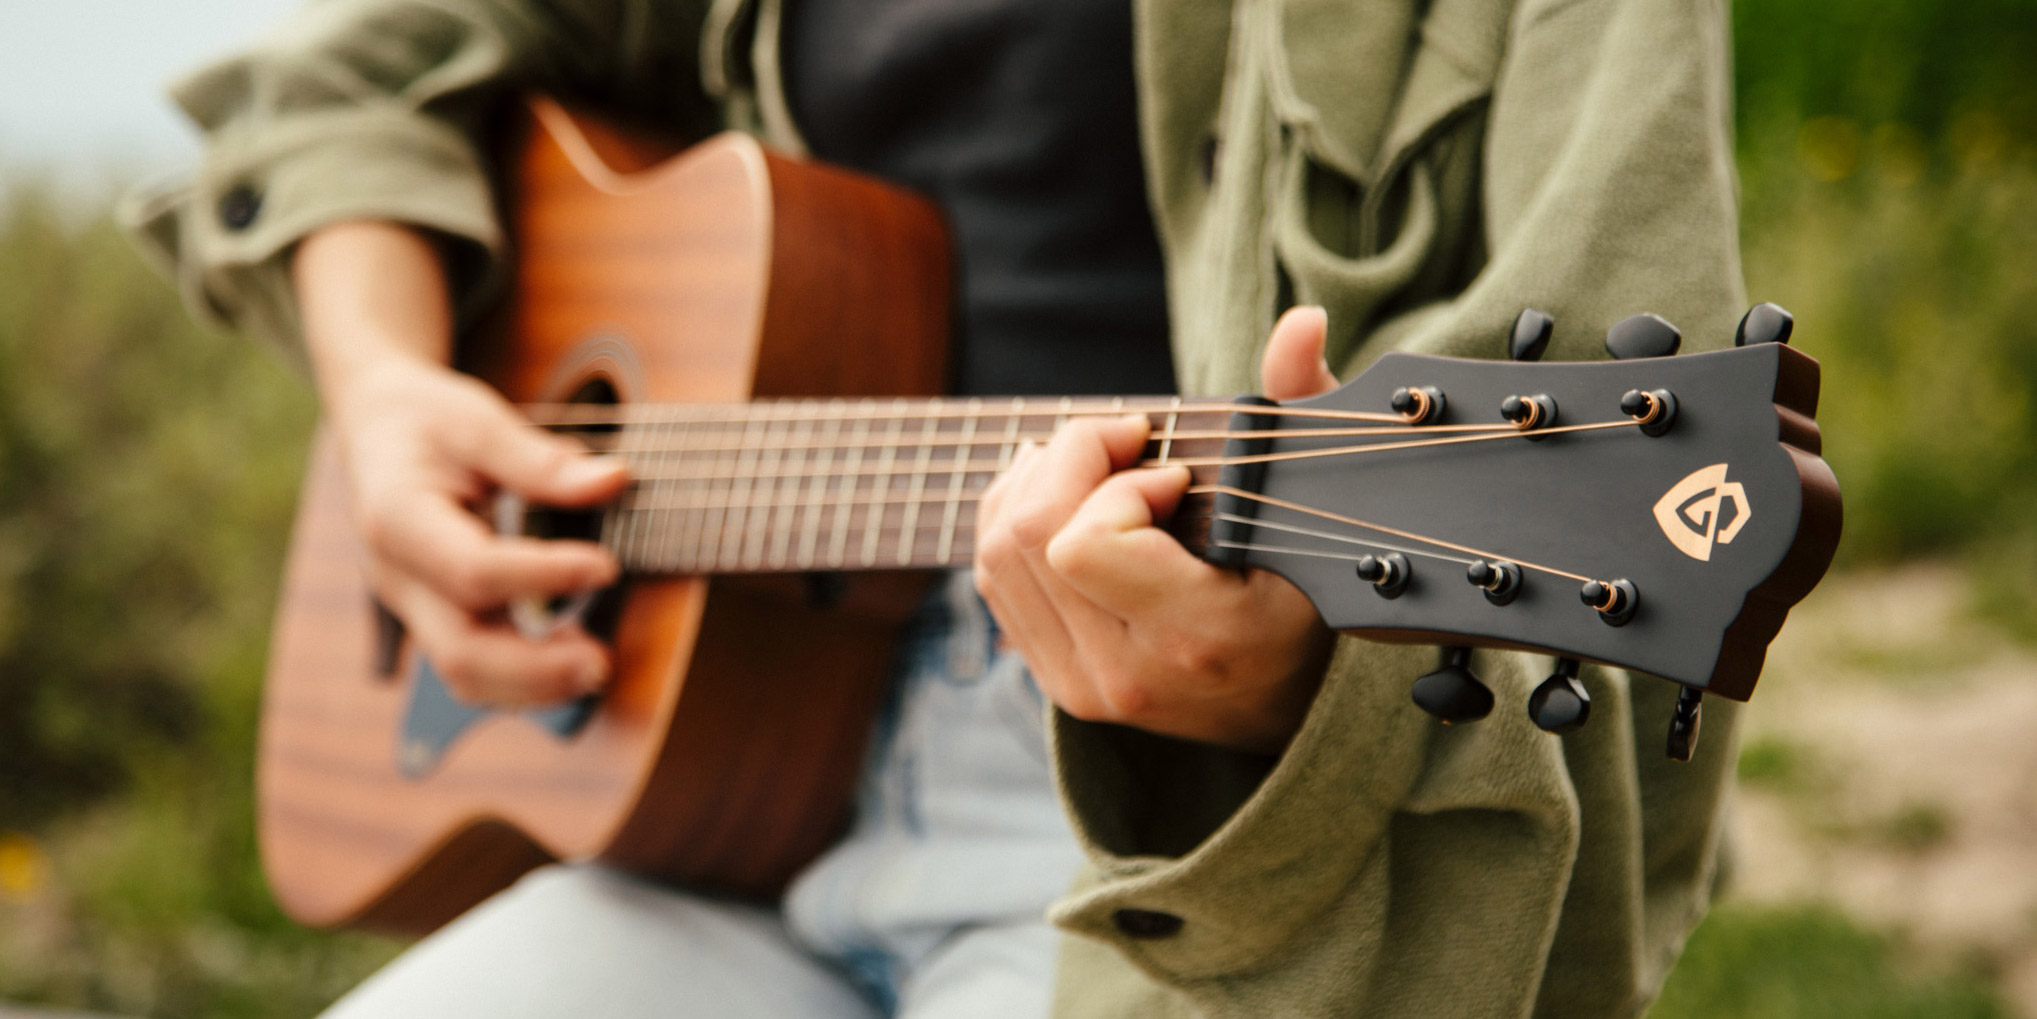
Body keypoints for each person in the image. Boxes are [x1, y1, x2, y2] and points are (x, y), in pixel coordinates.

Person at [125, 0, 1750, 1015]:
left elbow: (1615, 412)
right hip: (733, 817)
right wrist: (389, 387)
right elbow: (336, 82)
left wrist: (1283, 692)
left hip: (1191, 854)